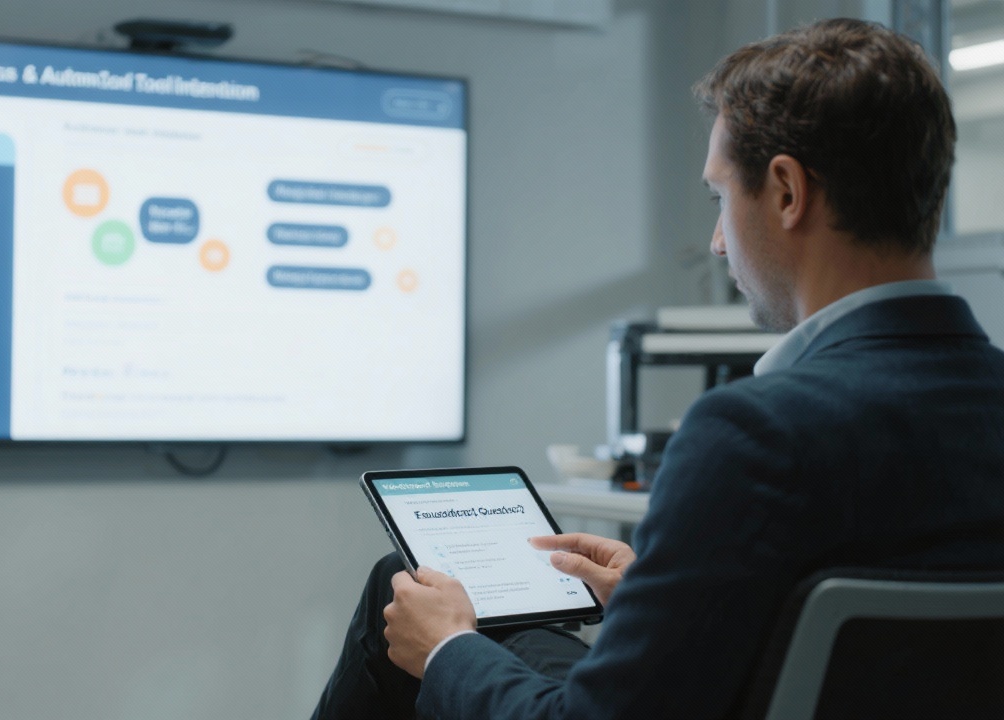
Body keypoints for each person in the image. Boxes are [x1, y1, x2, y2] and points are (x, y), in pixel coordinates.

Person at [311, 17, 1004, 720]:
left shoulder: (755, 435)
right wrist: (671, 599)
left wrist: (446, 654)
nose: (716, 242)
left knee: (413, 604)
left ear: (788, 192)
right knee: (407, 582)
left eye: (720, 198)